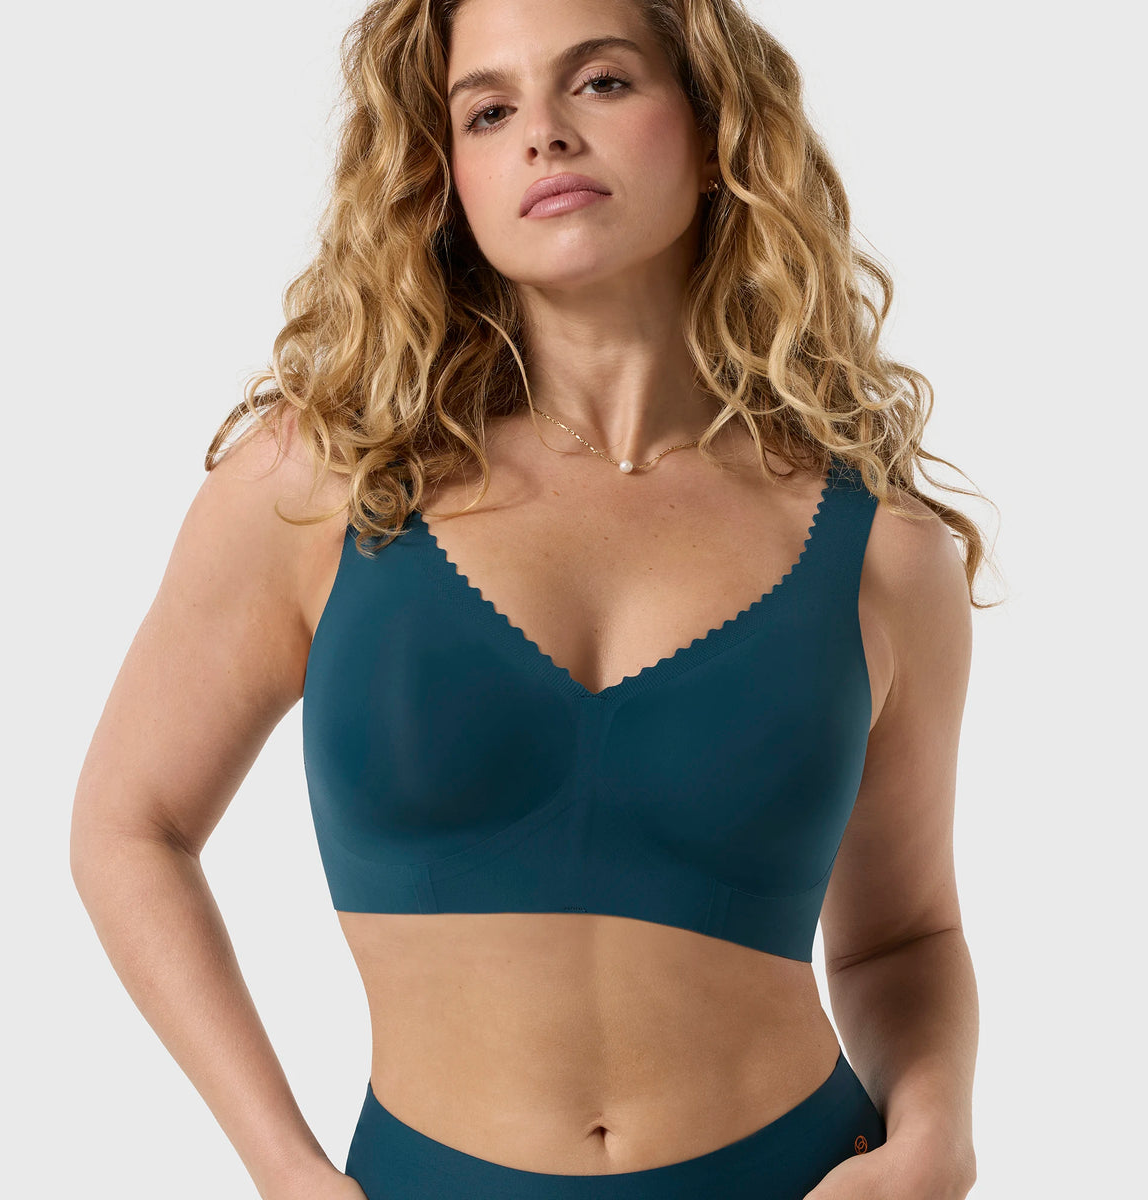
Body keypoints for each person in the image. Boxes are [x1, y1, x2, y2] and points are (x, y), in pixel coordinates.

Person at [71, 0, 991, 1197]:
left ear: (713, 129)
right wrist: (285, 1169)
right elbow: (129, 828)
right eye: (490, 111)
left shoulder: (880, 550)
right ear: (446, 178)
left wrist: (936, 1141)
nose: (544, 133)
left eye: (601, 82)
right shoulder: (320, 486)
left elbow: (902, 937)